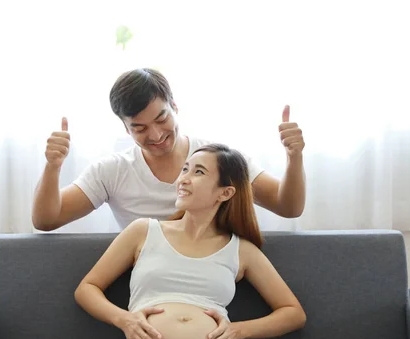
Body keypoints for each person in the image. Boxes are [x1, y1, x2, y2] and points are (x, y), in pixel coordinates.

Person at [74, 143, 306, 339]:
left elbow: (293, 313)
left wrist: (238, 330)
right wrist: (124, 320)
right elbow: (87, 288)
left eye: (198, 172)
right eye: (185, 169)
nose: (183, 179)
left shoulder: (241, 250)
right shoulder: (143, 231)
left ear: (225, 192)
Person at [32, 68, 306, 231]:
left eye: (162, 119)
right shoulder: (111, 171)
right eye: (139, 128)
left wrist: (294, 157)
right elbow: (46, 220)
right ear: (125, 129)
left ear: (175, 107)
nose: (156, 135)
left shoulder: (218, 158)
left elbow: (288, 206)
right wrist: (53, 166)